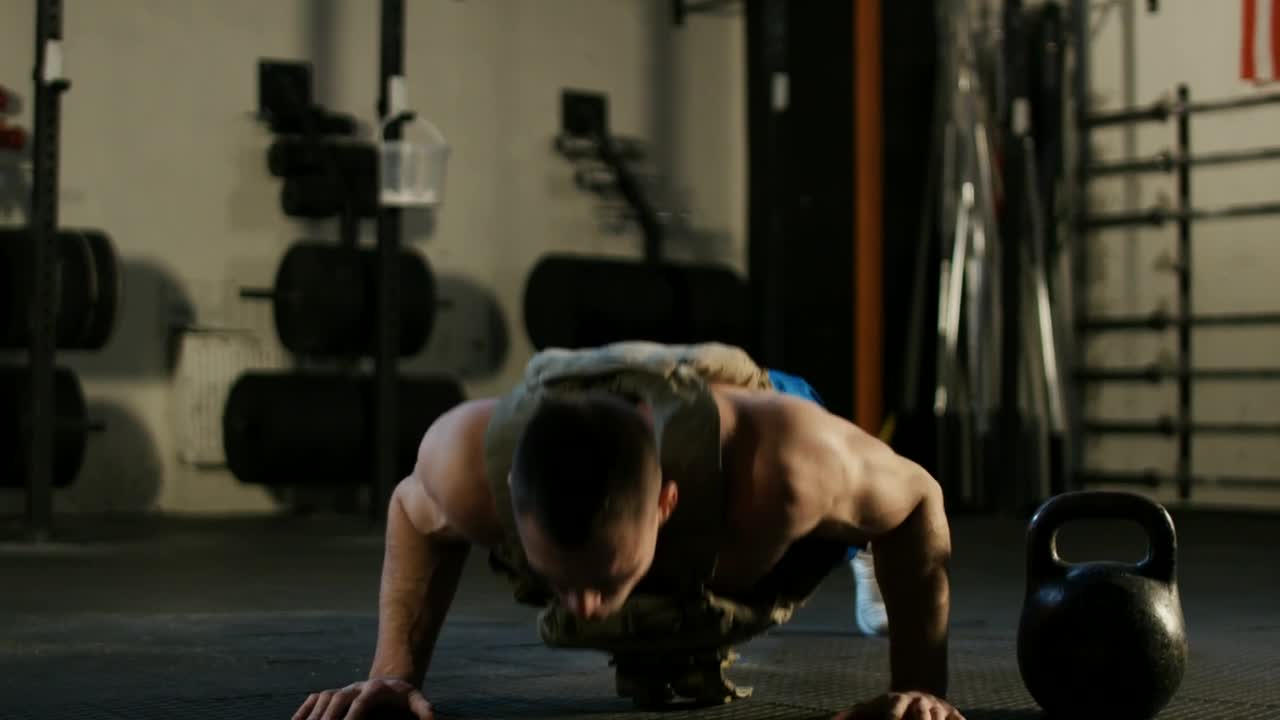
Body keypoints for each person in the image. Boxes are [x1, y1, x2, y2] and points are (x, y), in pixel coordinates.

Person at [292, 342, 962, 720]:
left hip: (752, 416)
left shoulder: (784, 466)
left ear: (667, 504)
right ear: (512, 516)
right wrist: (392, 676)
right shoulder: (465, 465)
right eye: (559, 578)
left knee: (858, 508)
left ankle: (853, 550)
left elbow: (918, 501)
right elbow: (411, 512)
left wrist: (922, 693)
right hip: (601, 399)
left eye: (605, 577)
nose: (583, 609)